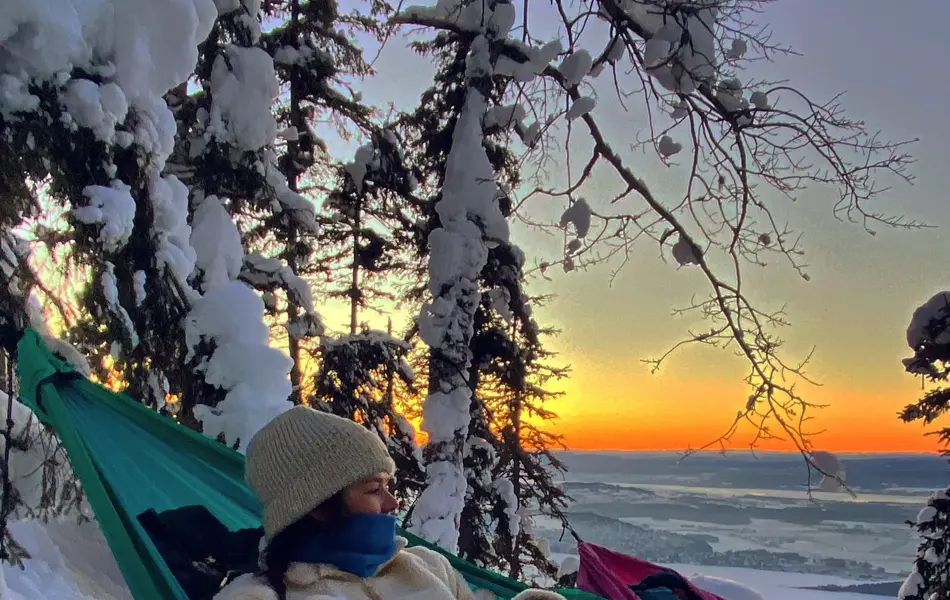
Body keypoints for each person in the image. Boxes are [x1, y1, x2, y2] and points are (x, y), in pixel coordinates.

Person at [215, 405, 567, 600]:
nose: (392, 502)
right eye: (373, 489)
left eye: (388, 486)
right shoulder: (262, 598)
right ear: (316, 505)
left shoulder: (427, 565)